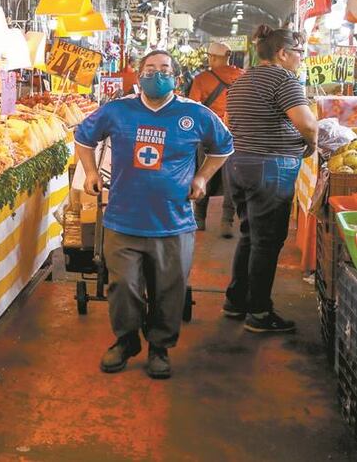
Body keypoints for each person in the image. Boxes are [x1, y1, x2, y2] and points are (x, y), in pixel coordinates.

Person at [75, 50, 233, 379]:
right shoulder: (118, 110)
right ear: (139, 73)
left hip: (173, 223)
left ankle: (160, 346)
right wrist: (90, 173)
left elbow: (223, 146)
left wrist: (202, 177)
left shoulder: (195, 114)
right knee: (123, 287)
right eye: (150, 68)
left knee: (169, 289)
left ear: (175, 77)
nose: (156, 74)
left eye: (164, 69)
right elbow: (83, 137)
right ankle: (126, 341)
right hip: (122, 219)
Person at [223, 25, 317, 333]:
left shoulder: (242, 80)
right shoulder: (284, 79)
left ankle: (236, 301)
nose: (301, 59)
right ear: (283, 53)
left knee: (251, 235)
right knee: (267, 241)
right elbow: (307, 124)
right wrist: (311, 145)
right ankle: (260, 313)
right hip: (270, 167)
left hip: (238, 164)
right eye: (299, 53)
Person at [187, 41, 243, 235]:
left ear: (214, 57)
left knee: (205, 175)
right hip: (236, 135)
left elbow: (194, 108)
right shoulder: (242, 76)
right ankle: (227, 221)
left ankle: (199, 218)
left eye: (210, 57)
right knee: (231, 179)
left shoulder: (202, 79)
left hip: (209, 135)